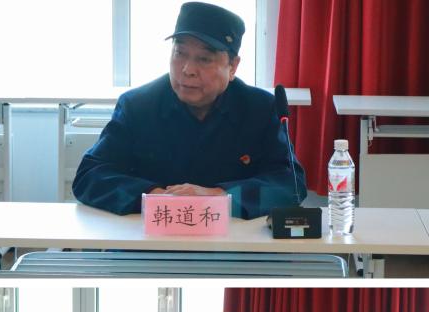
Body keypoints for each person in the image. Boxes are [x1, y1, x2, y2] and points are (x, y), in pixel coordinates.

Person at [72, 2, 306, 220]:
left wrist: (220, 197)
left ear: (233, 67)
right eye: (179, 53)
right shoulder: (138, 106)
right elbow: (90, 176)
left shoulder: (260, 109)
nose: (187, 70)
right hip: (153, 239)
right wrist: (152, 196)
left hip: (232, 242)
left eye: (204, 59)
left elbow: (290, 185)